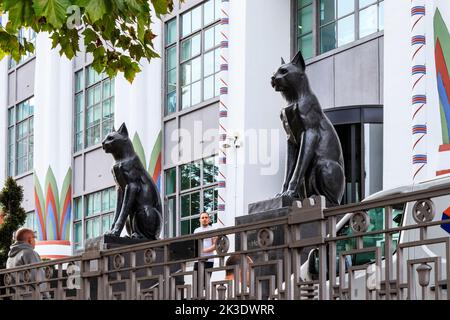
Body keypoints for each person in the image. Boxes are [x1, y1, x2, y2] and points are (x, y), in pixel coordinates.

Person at [6, 228, 50, 299]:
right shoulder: (29, 253)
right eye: (34, 238)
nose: (35, 241)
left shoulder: (10, 258)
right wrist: (47, 297)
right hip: (32, 296)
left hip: (16, 296)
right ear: (30, 240)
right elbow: (38, 277)